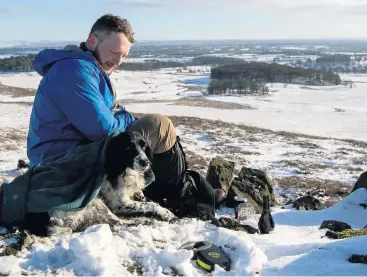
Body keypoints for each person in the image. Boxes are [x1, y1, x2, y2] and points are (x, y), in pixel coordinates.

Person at [26, 14, 225, 219]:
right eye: (114, 52)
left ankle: (162, 190)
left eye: (124, 56)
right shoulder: (74, 70)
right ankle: (182, 197)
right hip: (63, 162)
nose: (118, 61)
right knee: (157, 125)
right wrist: (126, 117)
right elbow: (102, 128)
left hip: (73, 152)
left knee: (141, 132)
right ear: (93, 40)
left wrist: (122, 117)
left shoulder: (84, 67)